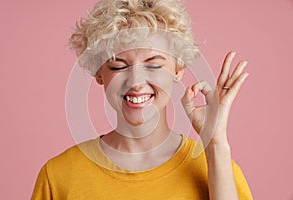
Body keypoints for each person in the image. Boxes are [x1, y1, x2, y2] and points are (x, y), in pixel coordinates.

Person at [31, 0, 253, 199]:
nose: (136, 81)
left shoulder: (218, 167)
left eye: (154, 64)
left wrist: (215, 144)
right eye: (118, 65)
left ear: (178, 68)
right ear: (99, 72)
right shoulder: (58, 176)